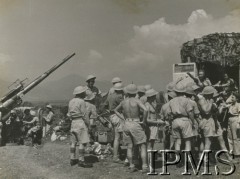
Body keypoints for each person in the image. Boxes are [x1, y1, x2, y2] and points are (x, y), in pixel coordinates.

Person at [198, 86, 238, 164]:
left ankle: (229, 158)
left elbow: (216, 114)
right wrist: (211, 102)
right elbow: (206, 111)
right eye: (212, 93)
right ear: (209, 93)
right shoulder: (202, 101)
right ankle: (205, 161)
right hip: (207, 122)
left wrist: (221, 108)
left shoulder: (211, 101)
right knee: (207, 143)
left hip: (215, 122)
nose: (214, 95)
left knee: (221, 141)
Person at [114, 84, 148, 173]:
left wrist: (123, 118)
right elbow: (145, 110)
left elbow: (115, 110)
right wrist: (144, 121)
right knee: (143, 144)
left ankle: (131, 165)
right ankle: (144, 166)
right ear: (136, 92)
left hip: (126, 123)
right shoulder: (137, 101)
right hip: (135, 122)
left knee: (129, 146)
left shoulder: (124, 102)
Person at [168, 83, 195, 167]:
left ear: (175, 91)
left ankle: (178, 161)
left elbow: (169, 114)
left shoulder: (171, 101)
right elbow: (190, 112)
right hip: (185, 119)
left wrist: (170, 123)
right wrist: (192, 122)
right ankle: (188, 161)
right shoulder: (186, 100)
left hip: (175, 121)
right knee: (187, 141)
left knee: (178, 142)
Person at [68, 86, 92, 168]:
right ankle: (81, 160)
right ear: (81, 93)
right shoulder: (82, 102)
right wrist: (89, 125)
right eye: (84, 92)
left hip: (73, 122)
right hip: (80, 122)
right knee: (82, 142)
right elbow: (85, 115)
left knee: (73, 142)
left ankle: (72, 158)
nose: (85, 93)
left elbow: (68, 114)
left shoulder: (71, 101)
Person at [105, 83, 124, 163]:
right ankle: (115, 157)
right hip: (117, 116)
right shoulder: (119, 96)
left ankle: (116, 154)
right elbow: (124, 106)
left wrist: (110, 110)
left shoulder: (109, 96)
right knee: (117, 137)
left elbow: (105, 106)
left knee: (116, 136)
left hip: (111, 116)